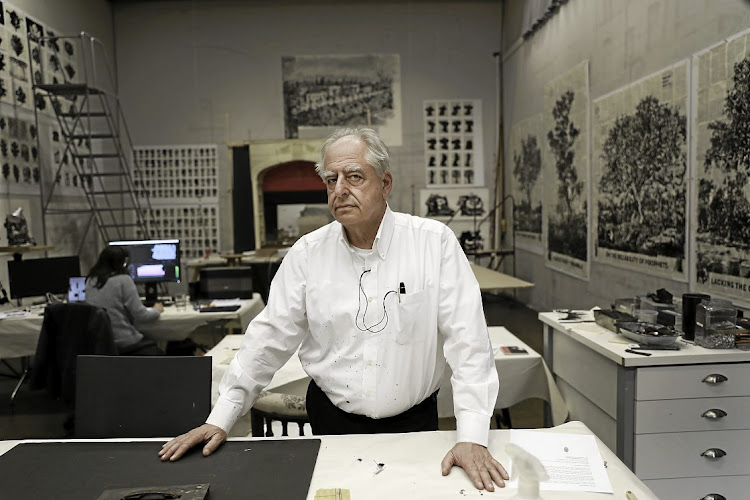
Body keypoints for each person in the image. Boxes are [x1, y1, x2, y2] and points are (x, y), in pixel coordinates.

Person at [159, 126, 509, 491]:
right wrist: (221, 418)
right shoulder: (308, 254)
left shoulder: (433, 244)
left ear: (385, 183)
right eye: (331, 179)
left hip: (414, 423)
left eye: (354, 177)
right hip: (331, 423)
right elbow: (269, 337)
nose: (339, 189)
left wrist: (472, 436)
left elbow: (468, 343)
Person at [85, 246, 165, 355]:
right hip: (123, 342)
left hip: (100, 344)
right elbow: (142, 316)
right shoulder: (123, 280)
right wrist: (157, 310)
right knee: (160, 351)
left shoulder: (90, 281)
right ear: (122, 263)